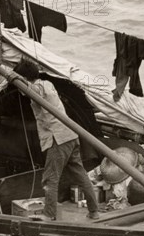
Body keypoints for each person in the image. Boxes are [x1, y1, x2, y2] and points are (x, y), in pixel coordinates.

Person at [14, 59, 100, 221]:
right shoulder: (48, 85)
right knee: (81, 175)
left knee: (50, 179)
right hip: (71, 136)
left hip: (58, 139)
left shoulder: (38, 88)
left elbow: (30, 89)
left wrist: (14, 79)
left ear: (25, 79)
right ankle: (94, 211)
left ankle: (49, 214)